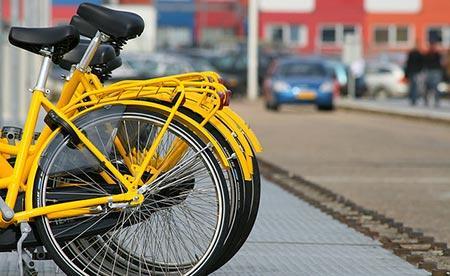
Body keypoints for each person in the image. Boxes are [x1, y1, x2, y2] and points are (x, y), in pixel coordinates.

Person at [423, 41, 443, 107]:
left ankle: (437, 101)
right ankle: (426, 101)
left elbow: (441, 64)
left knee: (436, 87)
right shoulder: (427, 54)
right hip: (429, 71)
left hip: (436, 72)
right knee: (427, 87)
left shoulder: (438, 54)